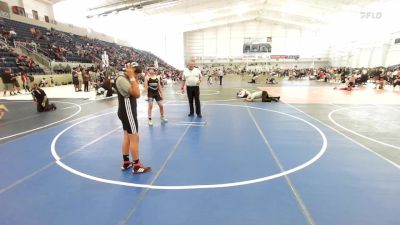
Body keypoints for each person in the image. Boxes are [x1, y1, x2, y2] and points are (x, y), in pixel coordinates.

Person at [115, 62, 151, 174]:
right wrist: (131, 77)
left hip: (127, 111)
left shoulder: (125, 78)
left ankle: (126, 163)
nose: (136, 76)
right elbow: (137, 94)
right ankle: (137, 166)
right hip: (127, 111)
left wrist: (132, 77)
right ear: (129, 69)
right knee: (135, 137)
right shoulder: (122, 79)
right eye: (136, 73)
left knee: (127, 136)